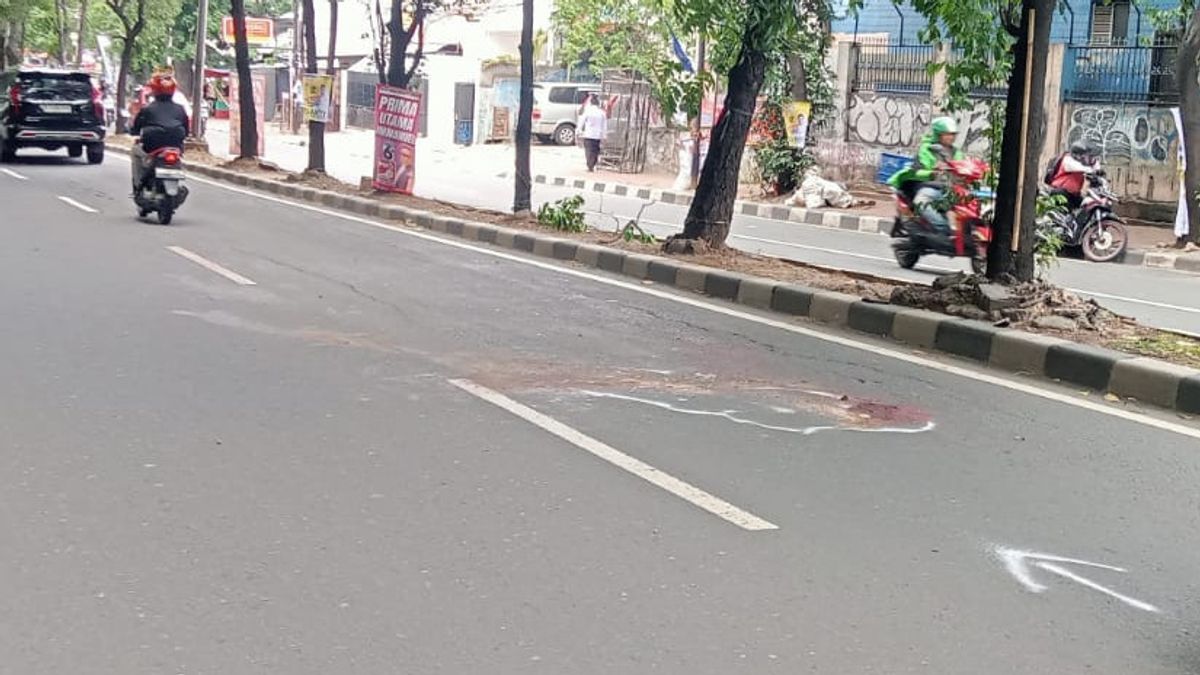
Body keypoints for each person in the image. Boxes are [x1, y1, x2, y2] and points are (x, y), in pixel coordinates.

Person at [887, 116, 964, 234]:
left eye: (953, 134)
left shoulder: (956, 151)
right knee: (921, 201)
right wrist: (933, 172)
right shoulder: (926, 149)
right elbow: (919, 170)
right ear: (938, 134)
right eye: (947, 134)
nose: (951, 137)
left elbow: (963, 165)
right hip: (930, 185)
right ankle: (943, 228)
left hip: (951, 187)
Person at [129, 72, 189, 193]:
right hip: (176, 144)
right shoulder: (180, 109)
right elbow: (187, 129)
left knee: (135, 151)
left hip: (152, 145)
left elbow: (136, 127)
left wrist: (133, 131)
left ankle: (138, 184)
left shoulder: (147, 108)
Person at [1046, 141, 1100, 211]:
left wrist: (1094, 163)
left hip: (1073, 194)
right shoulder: (1068, 160)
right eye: (1087, 156)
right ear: (1078, 156)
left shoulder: (1081, 163)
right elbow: (1086, 169)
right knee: (1067, 215)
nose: (1088, 159)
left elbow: (1096, 168)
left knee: (1086, 207)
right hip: (1060, 193)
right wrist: (1094, 168)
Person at [577, 94, 607, 173]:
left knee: (588, 150)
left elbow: (581, 122)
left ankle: (590, 165)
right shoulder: (601, 113)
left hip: (589, 134)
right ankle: (593, 164)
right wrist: (604, 135)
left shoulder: (588, 112)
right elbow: (604, 125)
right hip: (597, 135)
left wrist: (578, 131)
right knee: (595, 150)